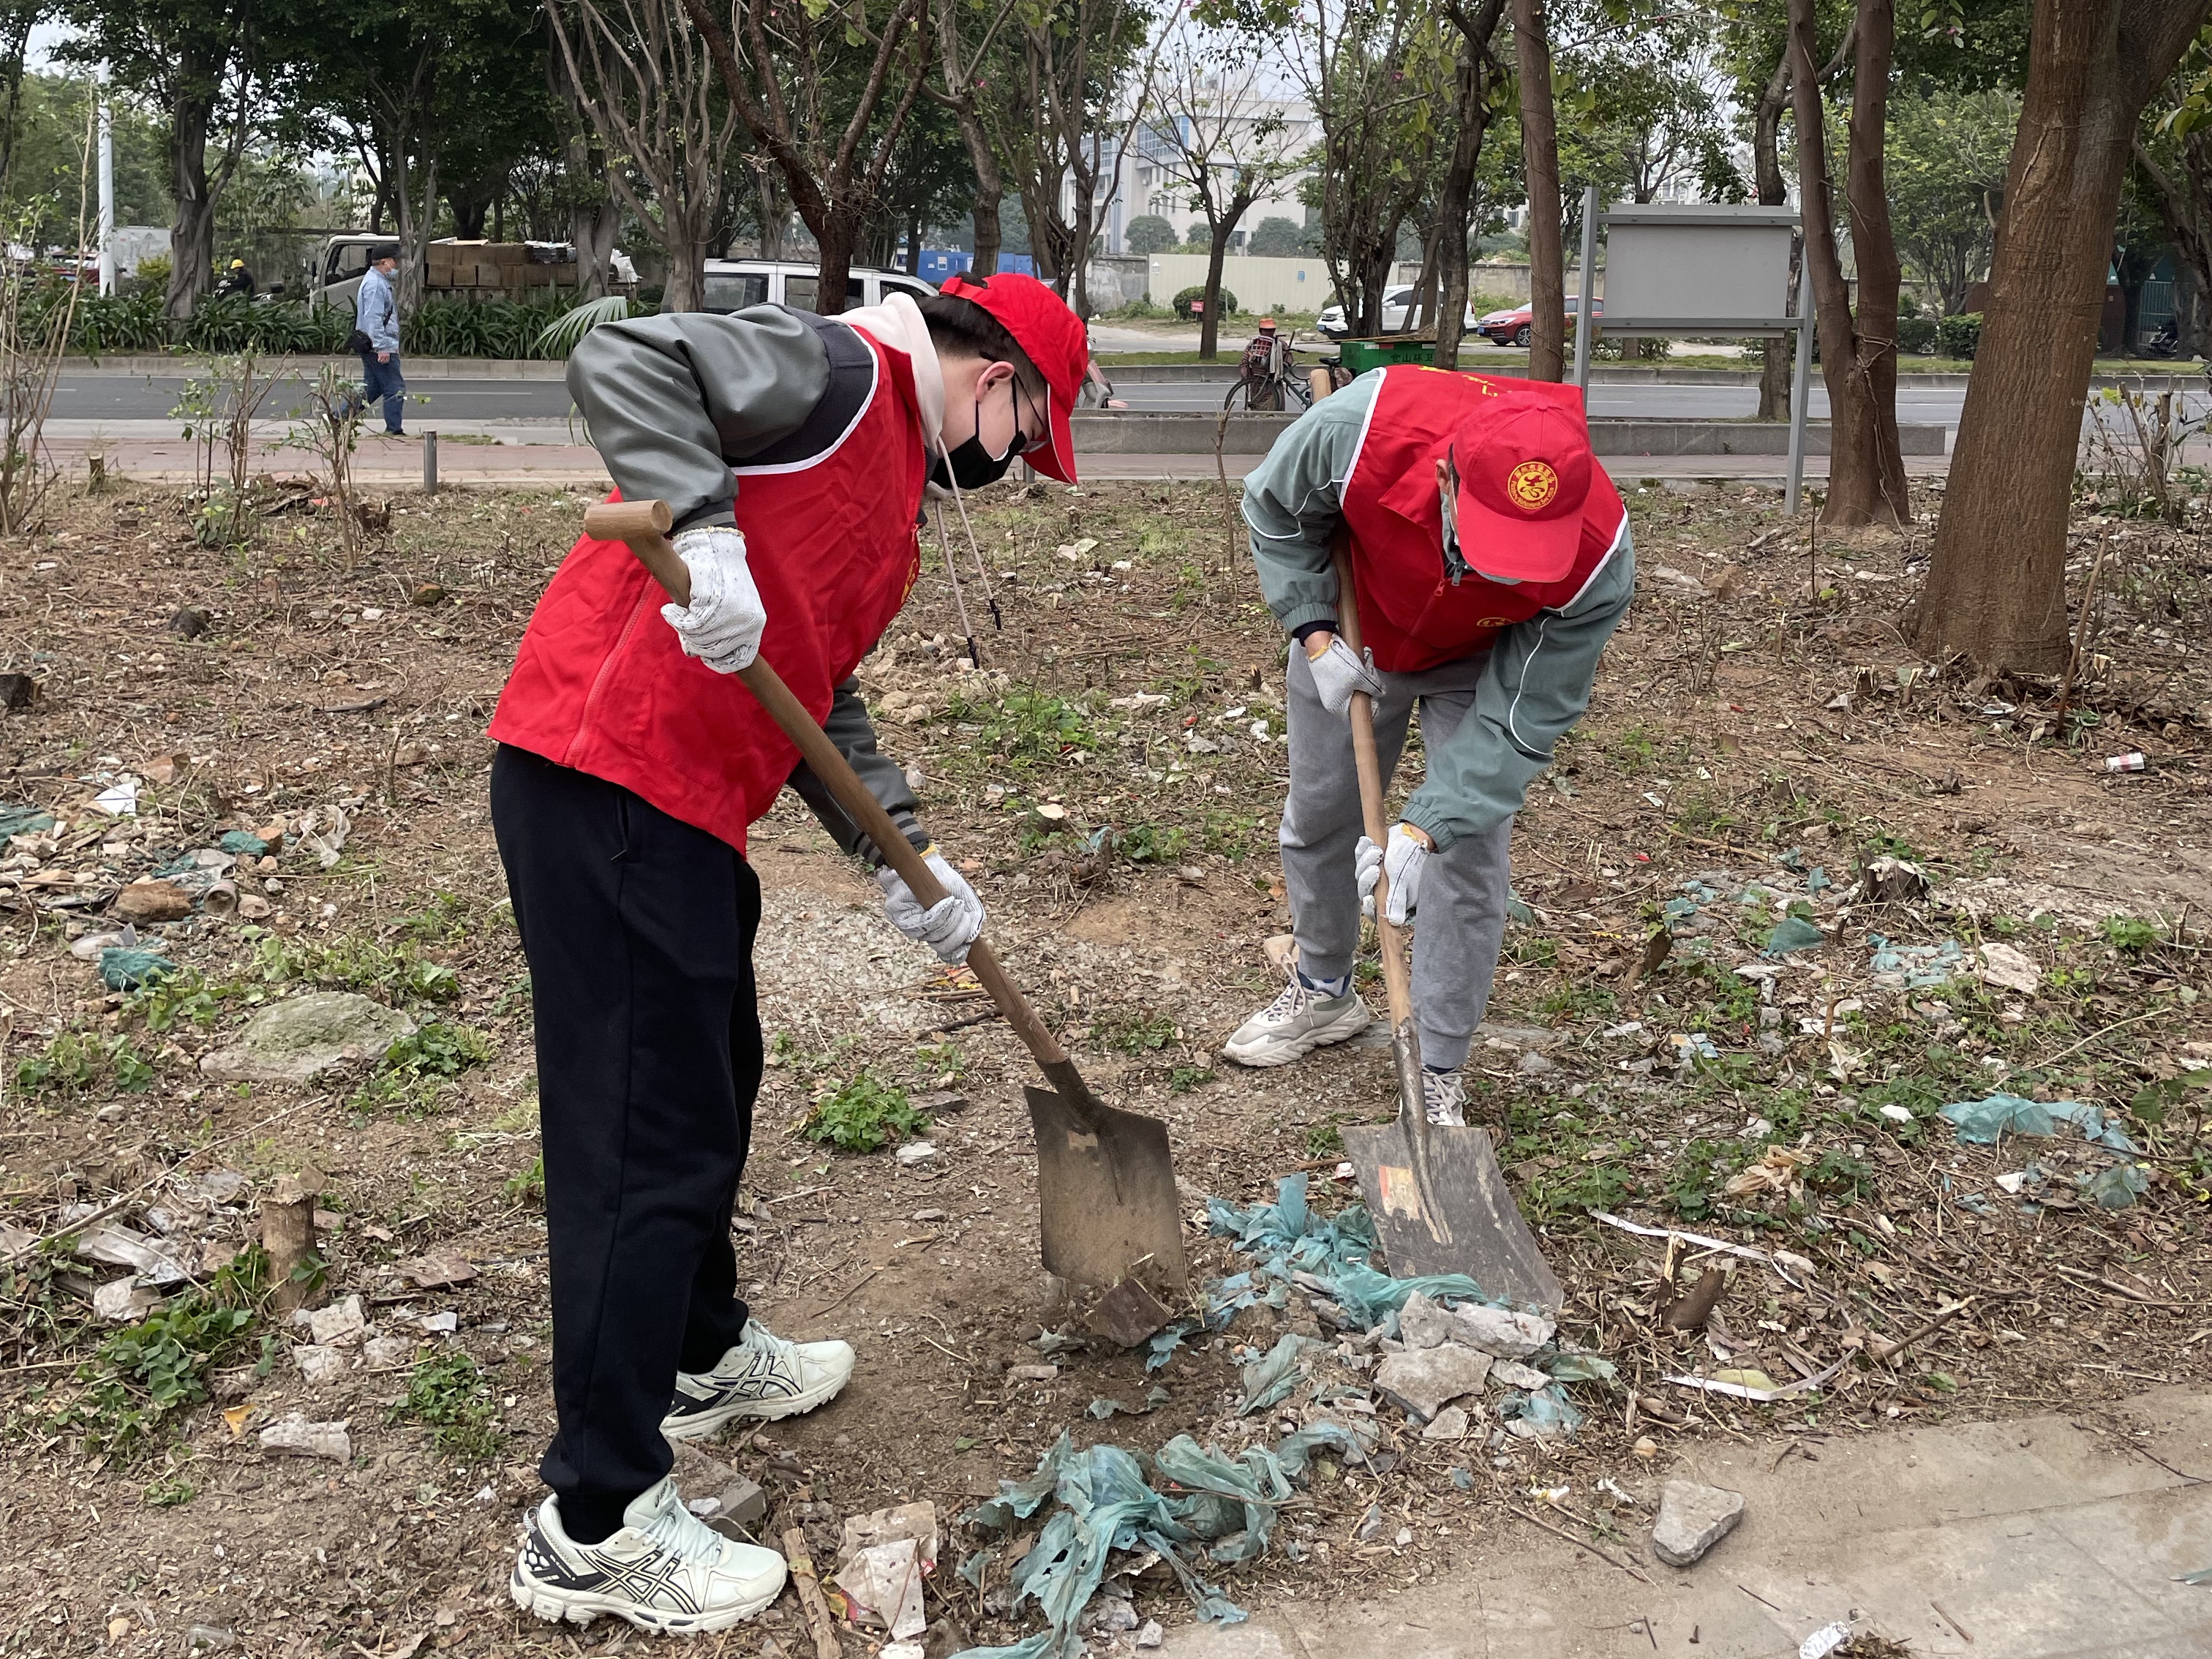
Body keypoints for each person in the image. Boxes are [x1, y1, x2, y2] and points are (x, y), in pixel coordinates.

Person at [487, 272, 1088, 1634]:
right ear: (993, 379)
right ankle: (593, 1519)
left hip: (686, 804)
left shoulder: (887, 498)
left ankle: (696, 1348)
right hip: (607, 776)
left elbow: (815, 687)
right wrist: (705, 535)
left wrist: (907, 862)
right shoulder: (833, 376)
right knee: (646, 1137)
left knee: (715, 1079)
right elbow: (632, 360)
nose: (1008, 471)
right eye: (1026, 437)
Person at [1221, 368, 1634, 1126]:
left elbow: (1522, 717)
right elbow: (1275, 510)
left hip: (1483, 666)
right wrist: (1313, 630)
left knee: (1465, 859)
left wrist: (1424, 825)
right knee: (1320, 812)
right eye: (1485, 541)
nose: (1494, 571)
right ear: (1445, 478)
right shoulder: (1358, 430)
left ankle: (1438, 1063)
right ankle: (1323, 991)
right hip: (1355, 629)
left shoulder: (1599, 556)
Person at [354, 244, 406, 437]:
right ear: (384, 263)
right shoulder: (376, 285)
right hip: (379, 347)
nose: (397, 265)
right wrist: (383, 347)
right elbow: (374, 318)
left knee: (373, 388)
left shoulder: (377, 282)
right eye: (395, 261)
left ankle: (339, 417)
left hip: (374, 345)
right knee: (395, 387)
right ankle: (394, 429)